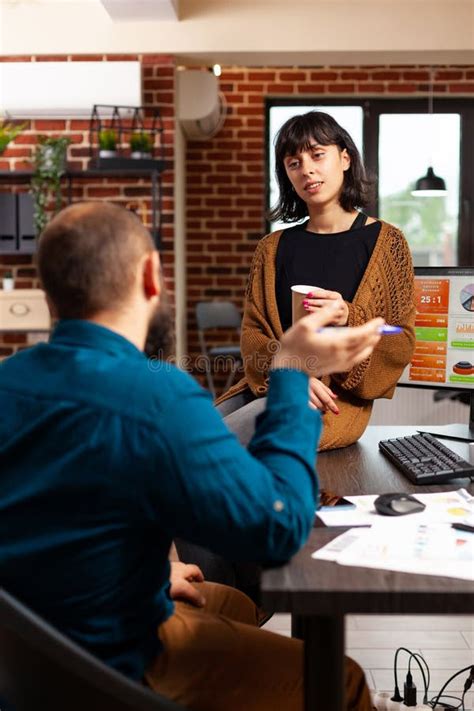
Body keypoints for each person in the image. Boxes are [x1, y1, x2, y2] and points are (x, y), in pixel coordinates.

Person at [0, 202, 383, 711]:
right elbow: (278, 528)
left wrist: (153, 573)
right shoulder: (158, 397)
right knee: (341, 680)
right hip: (111, 665)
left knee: (233, 603)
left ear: (50, 295)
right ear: (150, 276)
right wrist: (292, 372)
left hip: (23, 658)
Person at [216, 110, 416, 452]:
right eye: (294, 162)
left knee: (217, 448)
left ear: (345, 158)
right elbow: (251, 337)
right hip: (270, 384)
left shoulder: (388, 243)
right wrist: (290, 374)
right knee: (192, 435)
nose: (306, 168)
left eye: (317, 154)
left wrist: (348, 316)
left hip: (333, 404)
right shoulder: (271, 248)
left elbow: (401, 338)